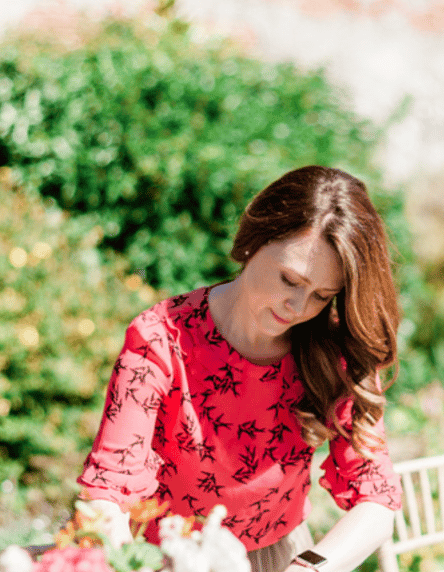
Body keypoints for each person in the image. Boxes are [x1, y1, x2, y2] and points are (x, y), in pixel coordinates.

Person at [77, 166, 403, 572]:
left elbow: (377, 500)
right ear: (255, 239)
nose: (298, 307)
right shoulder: (161, 339)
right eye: (289, 279)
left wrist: (308, 569)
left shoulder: (334, 351)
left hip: (283, 561)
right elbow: (106, 494)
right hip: (170, 561)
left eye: (322, 295)